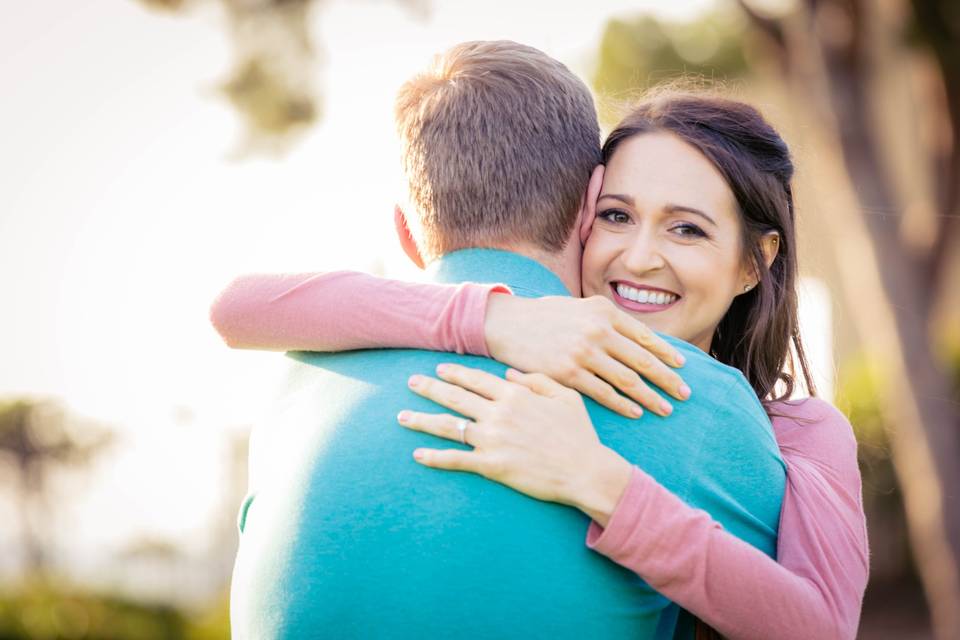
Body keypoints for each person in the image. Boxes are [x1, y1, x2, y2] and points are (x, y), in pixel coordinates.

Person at [213, 91, 869, 639]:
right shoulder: (509, 339)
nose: (639, 258)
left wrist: (601, 481)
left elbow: (822, 631)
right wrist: (496, 318)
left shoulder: (796, 431)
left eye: (686, 229)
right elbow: (240, 307)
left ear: (754, 261)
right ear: (583, 216)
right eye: (617, 216)